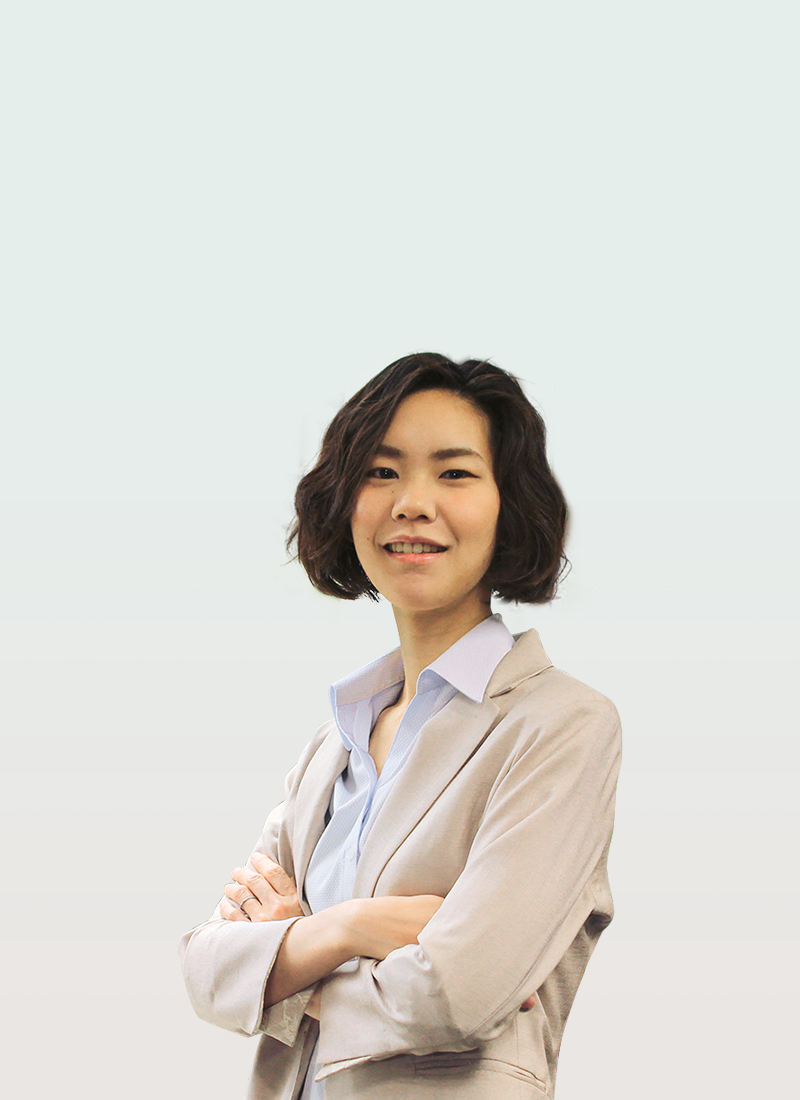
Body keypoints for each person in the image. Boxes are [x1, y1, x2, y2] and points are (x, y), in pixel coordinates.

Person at [179, 351, 623, 1100]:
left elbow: (455, 995)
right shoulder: (335, 744)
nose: (413, 503)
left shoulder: (562, 727)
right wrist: (351, 929)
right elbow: (205, 970)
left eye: (455, 473)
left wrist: (287, 959)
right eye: (382, 472)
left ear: (509, 504)